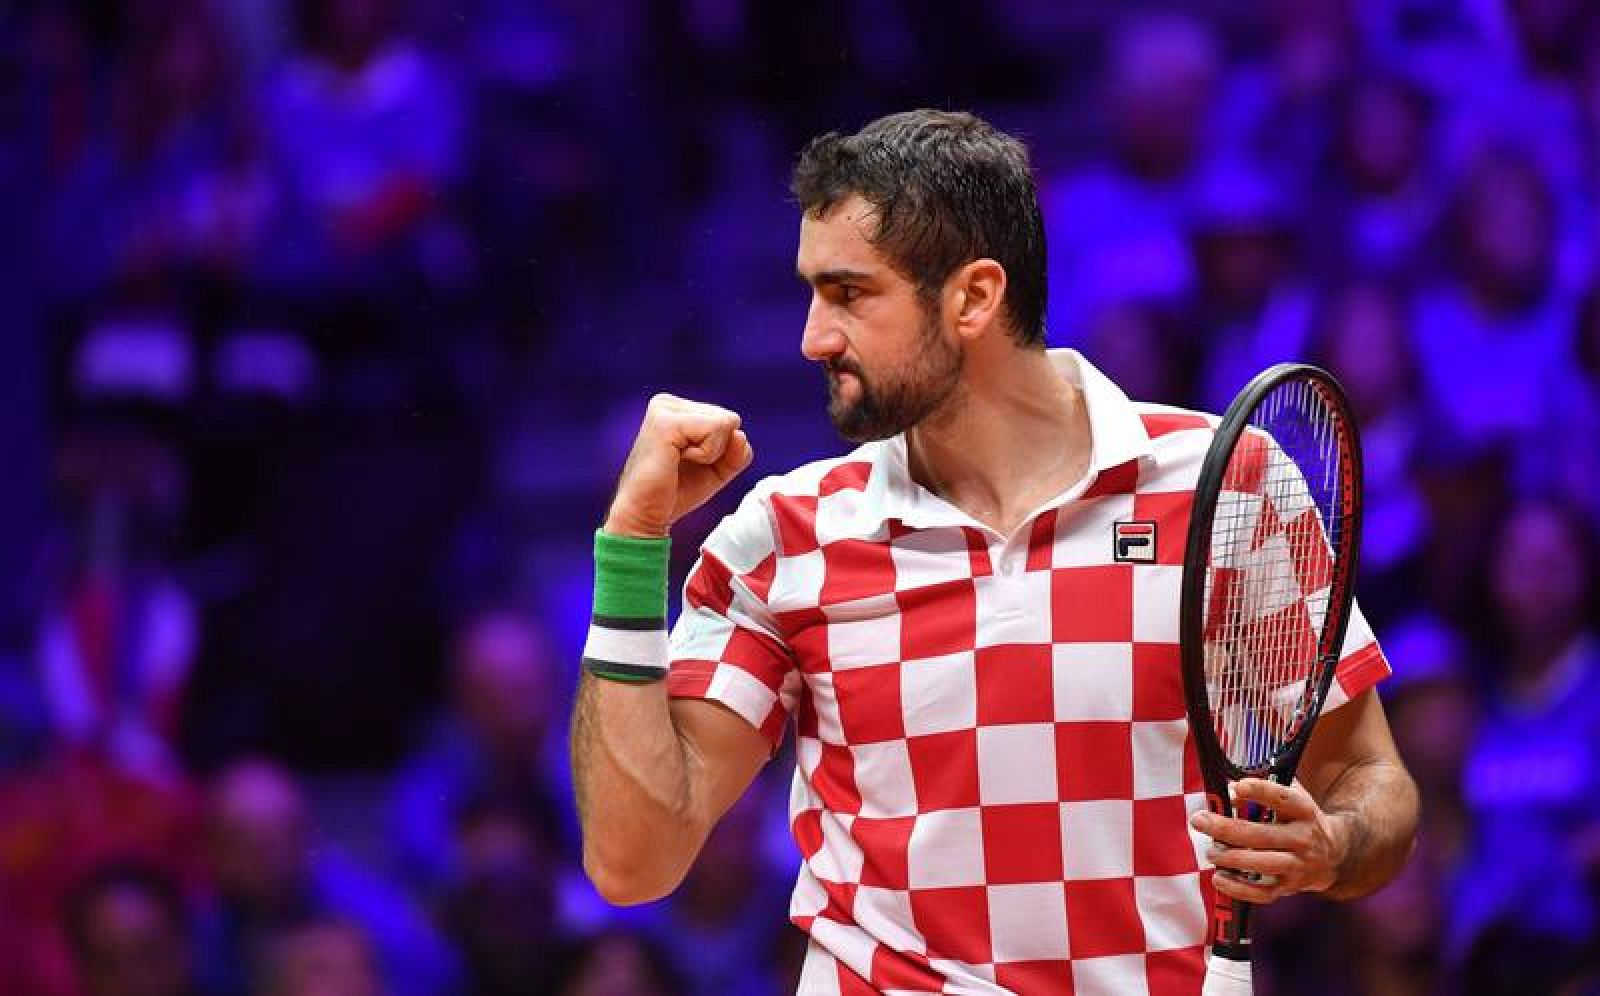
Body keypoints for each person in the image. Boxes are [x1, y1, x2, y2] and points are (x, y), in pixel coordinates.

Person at [570, 110, 1419, 994]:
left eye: (849, 294)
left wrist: (1333, 846)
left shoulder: (1224, 484)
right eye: (811, 293)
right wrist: (632, 544)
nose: (812, 337)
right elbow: (634, 861)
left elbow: (1370, 780)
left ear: (974, 297)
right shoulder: (789, 534)